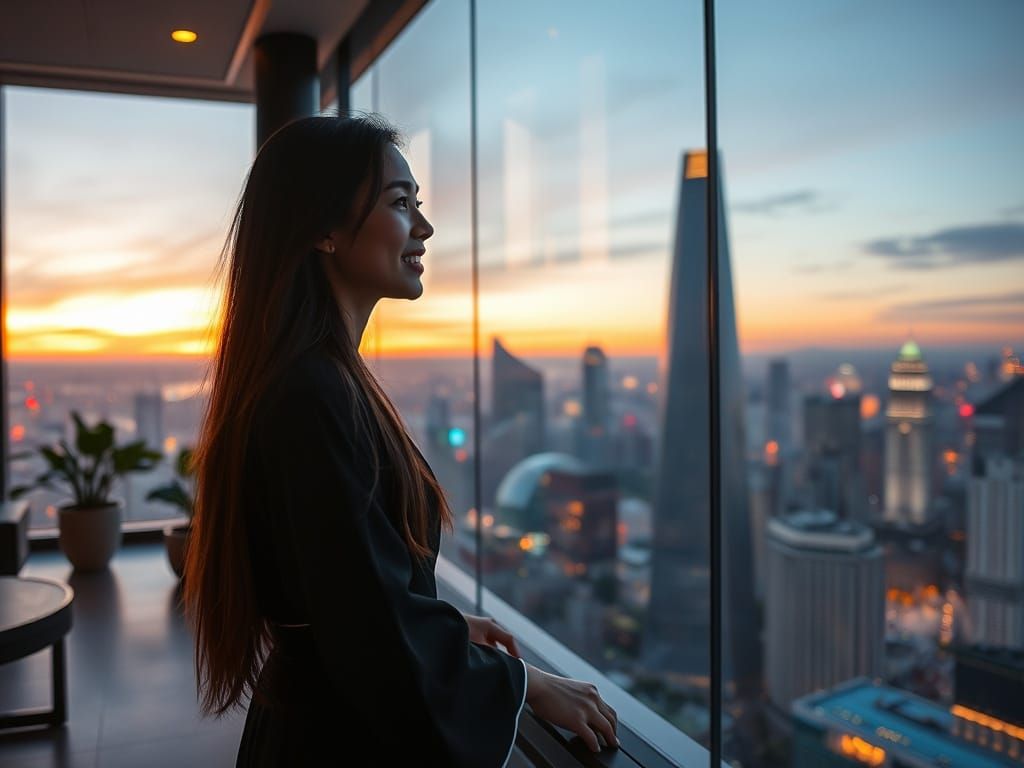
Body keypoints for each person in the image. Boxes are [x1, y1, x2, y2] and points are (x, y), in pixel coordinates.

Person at [183, 114, 619, 766]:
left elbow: (346, 589)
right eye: (399, 202)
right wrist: (523, 684)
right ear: (324, 228)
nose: (424, 227)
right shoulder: (312, 393)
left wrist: (433, 627)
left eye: (418, 203)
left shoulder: (315, 378)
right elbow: (364, 628)